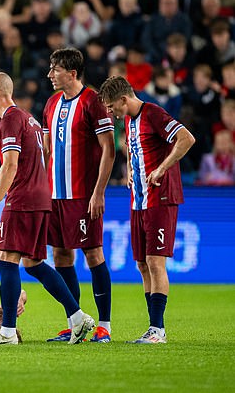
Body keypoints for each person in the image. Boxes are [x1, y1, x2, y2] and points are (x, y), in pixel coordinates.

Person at [0, 72, 95, 345]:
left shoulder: (9, 120)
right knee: (34, 263)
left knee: (6, 260)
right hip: (42, 196)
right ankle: (77, 317)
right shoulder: (28, 118)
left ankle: (6, 332)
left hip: (23, 199)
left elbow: (12, 164)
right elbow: (23, 160)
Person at [98, 75, 195, 343]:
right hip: (138, 200)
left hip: (160, 198)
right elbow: (132, 149)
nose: (110, 112)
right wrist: (130, 169)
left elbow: (186, 139)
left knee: (155, 261)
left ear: (123, 99)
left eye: (111, 106)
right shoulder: (129, 121)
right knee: (142, 264)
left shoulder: (152, 113)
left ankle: (158, 329)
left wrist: (162, 168)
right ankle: (153, 328)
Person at [43, 48, 115, 342]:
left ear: (72, 74)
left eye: (55, 70)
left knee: (93, 253)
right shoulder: (50, 103)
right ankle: (76, 323)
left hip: (82, 195)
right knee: (60, 255)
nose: (50, 75)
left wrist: (98, 192)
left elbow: (110, 149)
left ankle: (105, 326)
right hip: (54, 196)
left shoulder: (93, 102)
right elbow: (47, 149)